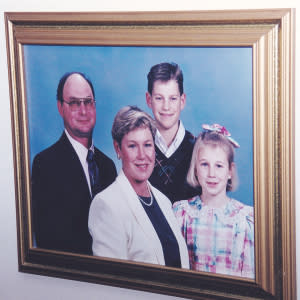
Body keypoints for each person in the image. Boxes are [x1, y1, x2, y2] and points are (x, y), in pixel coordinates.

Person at [88, 106, 189, 268]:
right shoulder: (106, 205)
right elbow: (111, 282)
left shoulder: (163, 201)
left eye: (148, 145)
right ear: (118, 149)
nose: (142, 155)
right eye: (133, 146)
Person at [31, 71, 117, 255]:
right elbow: (47, 239)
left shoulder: (108, 166)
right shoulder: (45, 164)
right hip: (70, 277)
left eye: (88, 102)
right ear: (60, 107)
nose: (84, 111)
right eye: (74, 103)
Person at [173, 124, 254, 278]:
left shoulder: (245, 220)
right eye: (204, 164)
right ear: (195, 169)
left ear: (230, 171)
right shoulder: (182, 214)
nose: (211, 173)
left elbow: (249, 277)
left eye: (219, 166)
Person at [146, 62, 199, 203]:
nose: (166, 106)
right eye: (159, 98)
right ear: (148, 100)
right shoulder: (141, 148)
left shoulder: (198, 148)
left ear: (182, 101)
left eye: (173, 98)